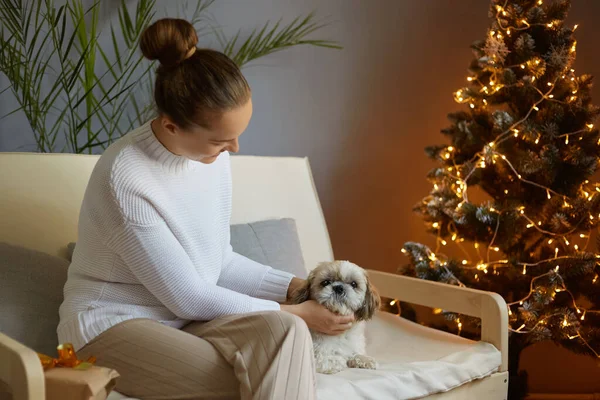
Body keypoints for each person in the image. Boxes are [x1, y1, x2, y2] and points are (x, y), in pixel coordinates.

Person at [56, 18, 354, 400]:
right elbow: (188, 296)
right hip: (112, 326)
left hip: (187, 321)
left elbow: (219, 262)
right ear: (172, 126)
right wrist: (298, 311)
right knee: (255, 376)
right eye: (221, 140)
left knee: (286, 336)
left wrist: (297, 288)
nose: (234, 149)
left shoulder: (210, 158)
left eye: (236, 136)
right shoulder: (126, 178)